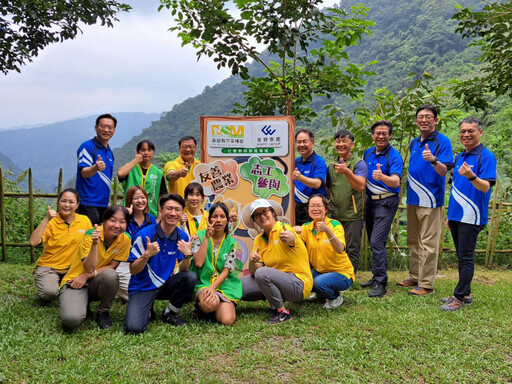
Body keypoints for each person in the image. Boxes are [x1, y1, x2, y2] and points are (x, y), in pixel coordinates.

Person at [441, 117, 496, 311]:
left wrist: (472, 176)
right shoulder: (460, 157)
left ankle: (458, 298)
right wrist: (449, 214)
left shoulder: (486, 156)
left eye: (470, 131)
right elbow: (455, 187)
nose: (466, 134)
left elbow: (485, 187)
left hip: (472, 215)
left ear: (480, 132)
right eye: (463, 131)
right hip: (456, 214)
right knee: (461, 255)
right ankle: (466, 293)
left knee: (466, 257)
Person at [398, 105, 453, 296]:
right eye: (420, 117)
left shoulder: (442, 141)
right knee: (414, 240)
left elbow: (444, 170)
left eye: (428, 117)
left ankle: (427, 284)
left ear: (436, 120)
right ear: (416, 121)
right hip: (413, 199)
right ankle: (415, 276)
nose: (424, 120)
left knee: (429, 243)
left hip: (431, 199)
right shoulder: (414, 142)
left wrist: (433, 160)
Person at [123, 194, 198, 334]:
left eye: (177, 210)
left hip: (165, 284)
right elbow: (133, 270)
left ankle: (170, 313)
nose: (173, 213)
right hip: (142, 287)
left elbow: (184, 268)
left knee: (190, 277)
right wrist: (146, 255)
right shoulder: (145, 234)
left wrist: (187, 255)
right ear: (161, 211)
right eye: (169, 209)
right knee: (134, 328)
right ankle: (148, 307)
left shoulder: (182, 236)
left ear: (182, 213)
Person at [241, 199, 313, 324]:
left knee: (262, 273)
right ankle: (274, 299)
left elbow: (291, 238)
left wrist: (290, 238)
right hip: (278, 281)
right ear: (254, 220)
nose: (262, 216)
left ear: (273, 213)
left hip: (298, 283)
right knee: (238, 286)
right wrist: (253, 261)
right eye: (257, 215)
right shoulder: (259, 239)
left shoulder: (283, 229)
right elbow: (254, 271)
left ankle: (282, 312)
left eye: (265, 211)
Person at [59, 205, 131, 329]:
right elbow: (89, 268)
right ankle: (82, 303)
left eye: (122, 222)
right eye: (112, 220)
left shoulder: (125, 239)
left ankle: (103, 312)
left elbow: (113, 266)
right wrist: (94, 244)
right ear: (104, 221)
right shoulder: (90, 235)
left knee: (110, 275)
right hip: (74, 282)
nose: (117, 225)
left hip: (94, 281)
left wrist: (87, 276)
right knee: (71, 319)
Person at [361, 120, 403, 298]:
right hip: (370, 202)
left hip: (386, 202)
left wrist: (383, 177)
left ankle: (381, 282)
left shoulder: (393, 155)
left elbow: (396, 181)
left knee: (376, 242)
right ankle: (376, 276)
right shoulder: (368, 153)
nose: (381, 136)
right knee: (375, 241)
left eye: (385, 133)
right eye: (377, 133)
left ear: (390, 135)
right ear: (372, 135)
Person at [29, 189, 92, 302]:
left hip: (73, 268)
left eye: (71, 202)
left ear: (77, 205)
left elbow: (91, 243)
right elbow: (33, 242)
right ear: (58, 203)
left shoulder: (85, 221)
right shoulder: (51, 222)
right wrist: (46, 219)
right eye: (63, 201)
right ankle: (51, 284)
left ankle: (63, 286)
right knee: (49, 293)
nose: (67, 205)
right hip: (50, 266)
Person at [186, 203, 242, 325]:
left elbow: (226, 271)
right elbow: (199, 263)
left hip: (224, 285)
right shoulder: (198, 236)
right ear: (209, 218)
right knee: (210, 304)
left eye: (222, 216)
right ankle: (205, 306)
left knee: (227, 320)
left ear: (227, 220)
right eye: (214, 216)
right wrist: (206, 238)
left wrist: (213, 288)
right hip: (204, 283)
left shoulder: (232, 243)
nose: (218, 220)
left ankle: (210, 308)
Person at [295, 194, 354, 309]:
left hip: (341, 273)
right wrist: (293, 231)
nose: (315, 209)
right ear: (308, 209)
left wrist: (327, 231)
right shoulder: (307, 227)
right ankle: (321, 294)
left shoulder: (335, 225)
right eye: (312, 206)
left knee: (318, 283)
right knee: (301, 279)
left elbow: (340, 249)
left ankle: (335, 297)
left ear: (326, 209)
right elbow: (294, 241)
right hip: (320, 271)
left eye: (319, 205)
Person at [326, 129, 367, 274]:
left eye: (345, 141)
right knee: (336, 246)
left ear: (352, 145)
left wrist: (347, 171)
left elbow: (361, 186)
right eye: (338, 141)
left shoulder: (359, 163)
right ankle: (338, 274)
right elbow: (328, 187)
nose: (341, 144)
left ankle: (351, 277)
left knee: (352, 248)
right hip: (336, 214)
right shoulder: (331, 165)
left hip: (353, 214)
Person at [116, 185, 157, 302]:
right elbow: (115, 237)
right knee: (134, 293)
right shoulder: (124, 219)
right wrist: (123, 217)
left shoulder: (151, 220)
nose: (140, 201)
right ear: (130, 201)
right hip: (125, 262)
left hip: (145, 262)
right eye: (136, 198)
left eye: (143, 197)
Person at [75, 113, 117, 225]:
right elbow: (84, 172)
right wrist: (95, 168)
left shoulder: (109, 151)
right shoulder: (87, 147)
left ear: (114, 130)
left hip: (103, 204)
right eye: (103, 126)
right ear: (96, 128)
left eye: (110, 127)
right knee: (88, 236)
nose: (106, 130)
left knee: (100, 238)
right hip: (87, 202)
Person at [117, 140, 167, 217]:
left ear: (153, 152)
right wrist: (135, 160)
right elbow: (120, 174)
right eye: (143, 150)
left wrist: (159, 216)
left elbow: (161, 196)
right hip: (129, 212)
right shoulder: (130, 167)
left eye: (149, 150)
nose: (146, 153)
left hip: (151, 214)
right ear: (138, 152)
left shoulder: (158, 173)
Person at [292, 129, 327, 226]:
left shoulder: (319, 161)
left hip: (314, 208)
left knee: (314, 237)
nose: (301, 145)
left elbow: (317, 184)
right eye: (299, 142)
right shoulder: (296, 162)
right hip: (297, 207)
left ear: (312, 143)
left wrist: (301, 178)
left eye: (304, 141)